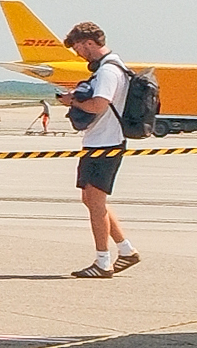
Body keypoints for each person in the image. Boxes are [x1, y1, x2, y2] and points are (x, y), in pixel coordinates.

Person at [58, 21, 138, 279]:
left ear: (88, 43)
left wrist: (73, 101)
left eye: (79, 48)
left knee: (95, 202)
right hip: (100, 141)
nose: (79, 54)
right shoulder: (114, 66)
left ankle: (103, 262)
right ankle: (125, 250)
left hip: (106, 143)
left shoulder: (107, 71)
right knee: (91, 200)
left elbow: (99, 105)